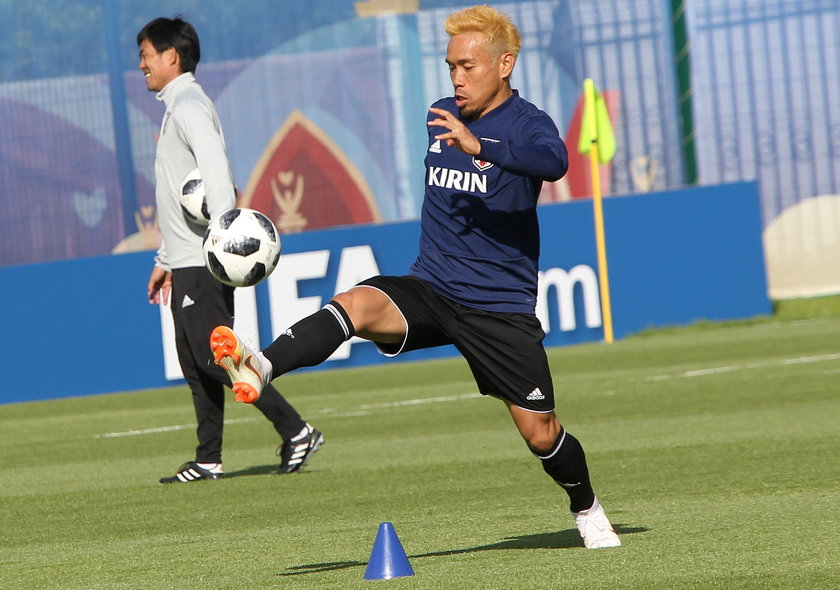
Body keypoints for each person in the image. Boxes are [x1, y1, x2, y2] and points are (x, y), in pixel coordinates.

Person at [210, 5, 620, 548]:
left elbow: (554, 162)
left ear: (505, 64)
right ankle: (261, 365)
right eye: (450, 65)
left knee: (539, 432)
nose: (456, 77)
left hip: (498, 308)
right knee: (355, 305)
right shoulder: (439, 114)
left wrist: (483, 149)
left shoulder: (527, 124)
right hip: (431, 286)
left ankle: (586, 507)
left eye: (468, 67)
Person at [137, 17, 323, 484]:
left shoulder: (188, 104)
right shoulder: (175, 105)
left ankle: (296, 429)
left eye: (145, 55)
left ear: (170, 56)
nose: (140, 64)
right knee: (193, 361)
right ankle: (209, 457)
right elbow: (179, 197)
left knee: (214, 356)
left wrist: (223, 233)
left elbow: (217, 172)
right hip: (184, 262)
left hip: (204, 261)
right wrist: (165, 260)